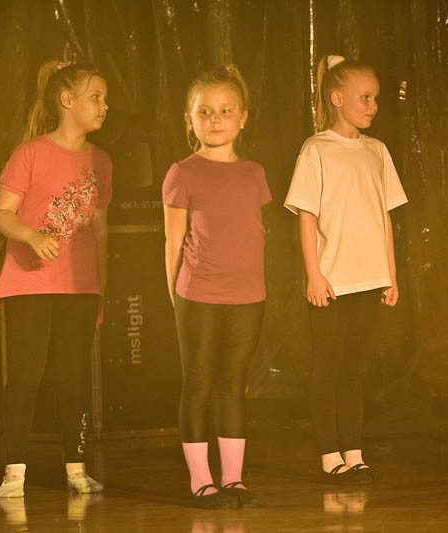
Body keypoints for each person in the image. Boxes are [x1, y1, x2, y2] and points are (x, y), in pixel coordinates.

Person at [0, 60, 111, 497]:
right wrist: (32, 236)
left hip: (78, 287)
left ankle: (76, 468)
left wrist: (100, 285)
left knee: (74, 376)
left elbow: (100, 230)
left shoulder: (102, 161)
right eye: (95, 96)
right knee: (26, 374)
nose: (104, 106)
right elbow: (1, 211)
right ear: (67, 100)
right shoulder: (31, 153)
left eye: (105, 98)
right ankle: (14, 471)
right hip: (31, 283)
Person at [284, 54, 408, 484]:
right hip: (333, 280)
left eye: (376, 98)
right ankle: (328, 453)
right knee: (327, 366)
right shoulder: (316, 149)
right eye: (365, 97)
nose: (374, 106)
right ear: (337, 99)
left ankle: (354, 452)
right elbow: (306, 215)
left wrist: (391, 275)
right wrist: (314, 275)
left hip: (369, 278)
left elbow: (385, 217)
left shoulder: (377, 151)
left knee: (353, 369)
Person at [163, 65, 270, 509]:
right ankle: (200, 480)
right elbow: (173, 242)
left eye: (226, 111)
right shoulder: (182, 173)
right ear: (189, 119)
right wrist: (177, 297)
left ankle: (233, 479)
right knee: (199, 384)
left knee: (233, 385)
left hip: (248, 297)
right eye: (204, 112)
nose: (215, 119)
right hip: (199, 297)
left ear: (242, 117)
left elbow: (255, 233)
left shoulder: (254, 173)